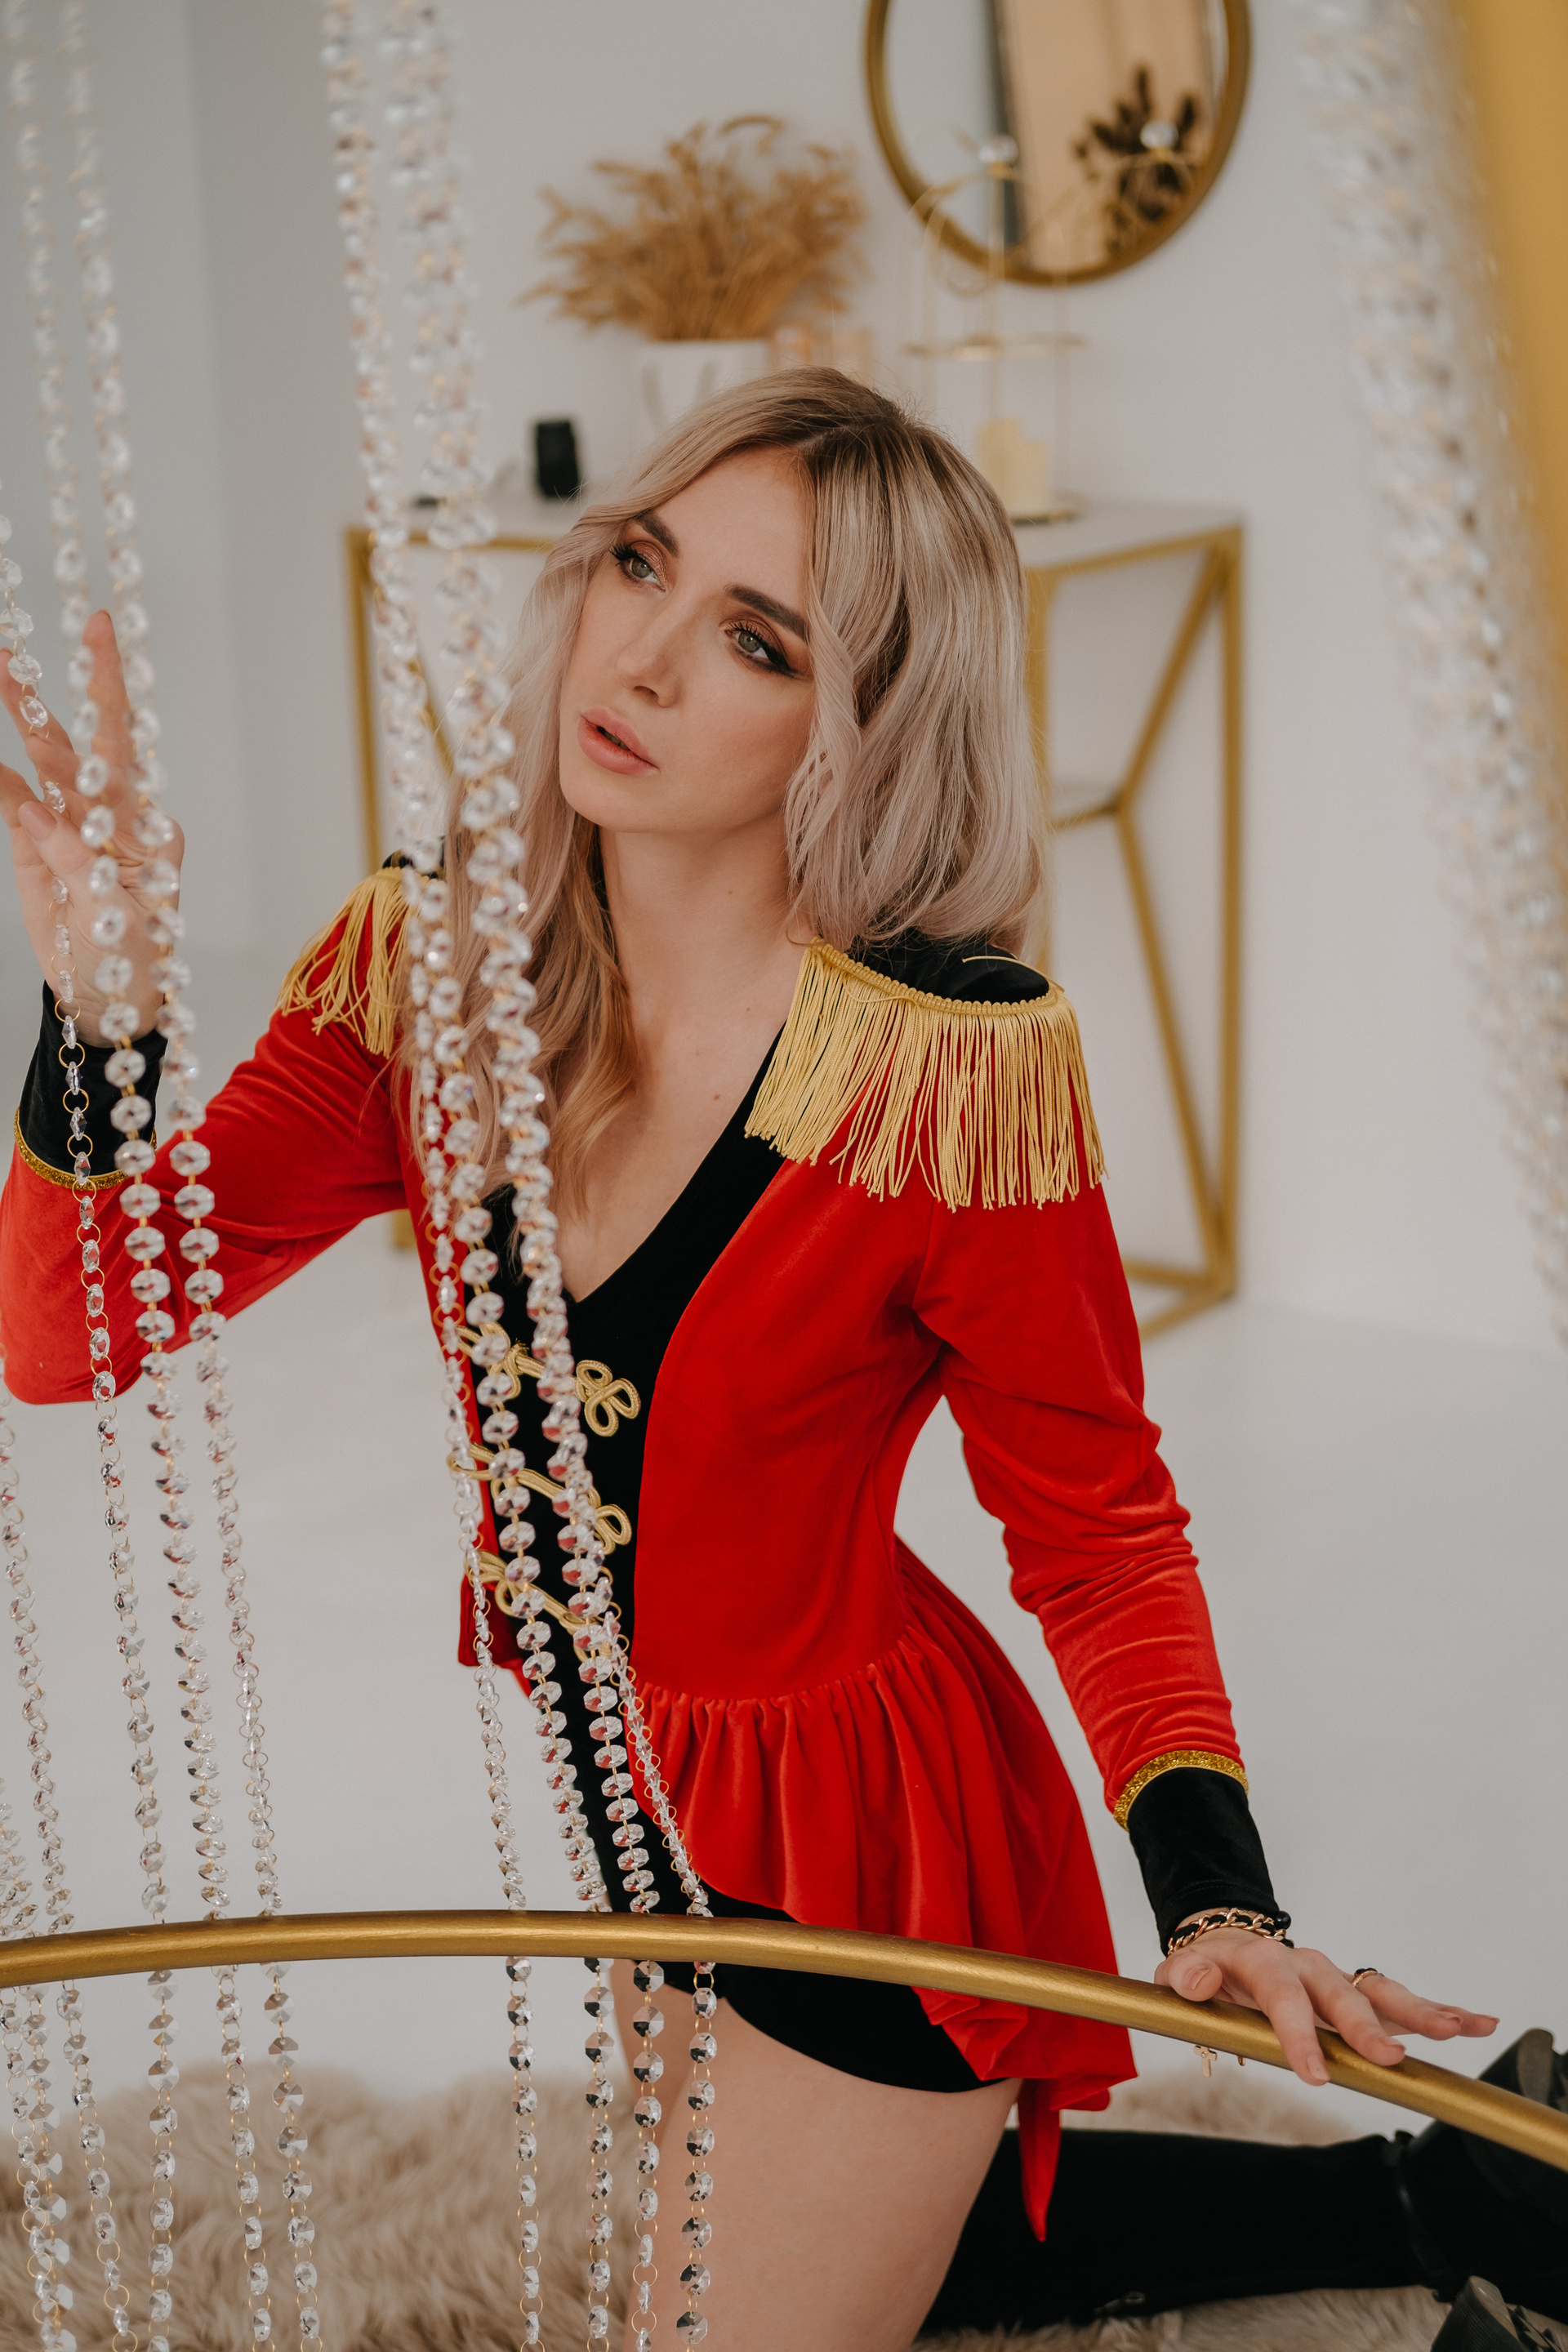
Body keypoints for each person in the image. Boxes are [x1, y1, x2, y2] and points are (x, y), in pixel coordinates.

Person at [0, 372, 1561, 2351]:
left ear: (861, 724)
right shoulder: (429, 973)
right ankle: (1460, 2193)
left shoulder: (943, 1078)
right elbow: (68, 1334)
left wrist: (1219, 1898)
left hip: (871, 1851)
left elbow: (1099, 1527)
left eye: (757, 639)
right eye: (640, 564)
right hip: (630, 1792)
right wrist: (103, 1021)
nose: (642, 657)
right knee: (901, 2254)